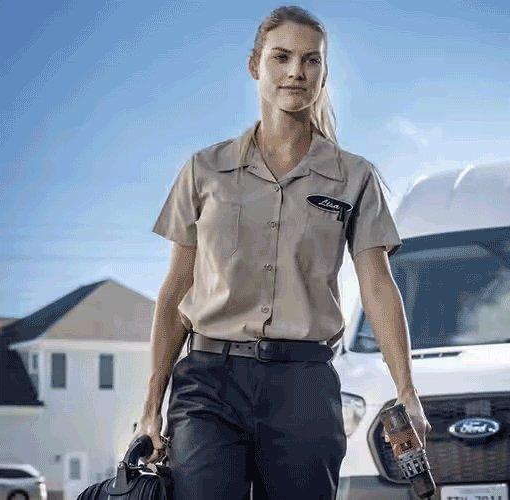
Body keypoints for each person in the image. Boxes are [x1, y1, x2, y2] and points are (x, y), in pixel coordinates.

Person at [132, 6, 431, 499]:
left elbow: (378, 285)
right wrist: (151, 404)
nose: (296, 71)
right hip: (209, 385)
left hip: (304, 386)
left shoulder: (355, 177)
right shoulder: (203, 170)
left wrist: (407, 393)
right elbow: (177, 290)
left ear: (323, 73)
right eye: (282, 57)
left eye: (311, 61)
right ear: (255, 66)